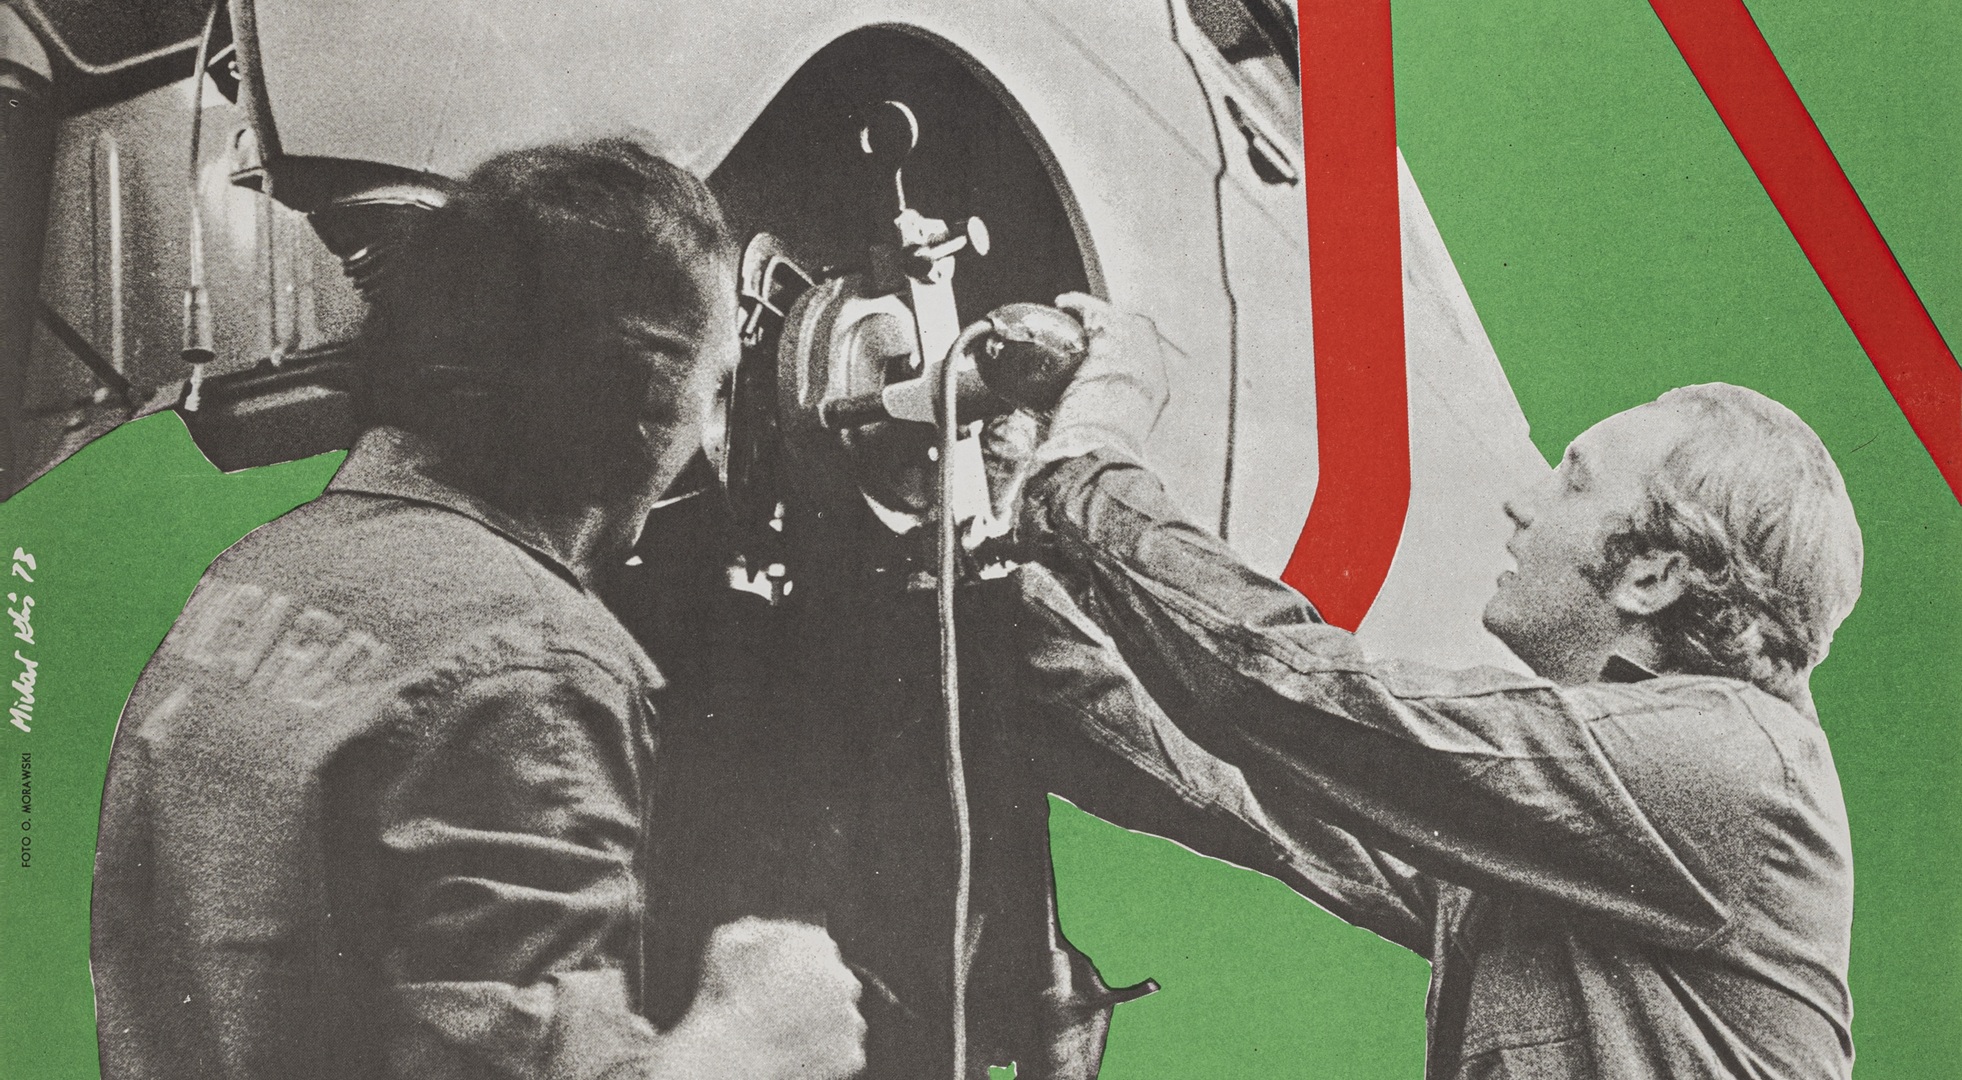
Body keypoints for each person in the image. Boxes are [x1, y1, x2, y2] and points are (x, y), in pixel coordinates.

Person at [91, 139, 866, 1080]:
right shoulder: (530, 665)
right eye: (711, 393)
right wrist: (753, 1043)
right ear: (642, 401)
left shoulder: (262, 567)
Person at [989, 295, 1862, 1078]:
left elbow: (1310, 702)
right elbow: (1256, 797)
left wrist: (1088, 468)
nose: (1524, 504)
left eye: (1574, 481)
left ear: (1653, 575)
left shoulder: (1731, 761)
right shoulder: (1586, 830)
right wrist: (1009, 618)